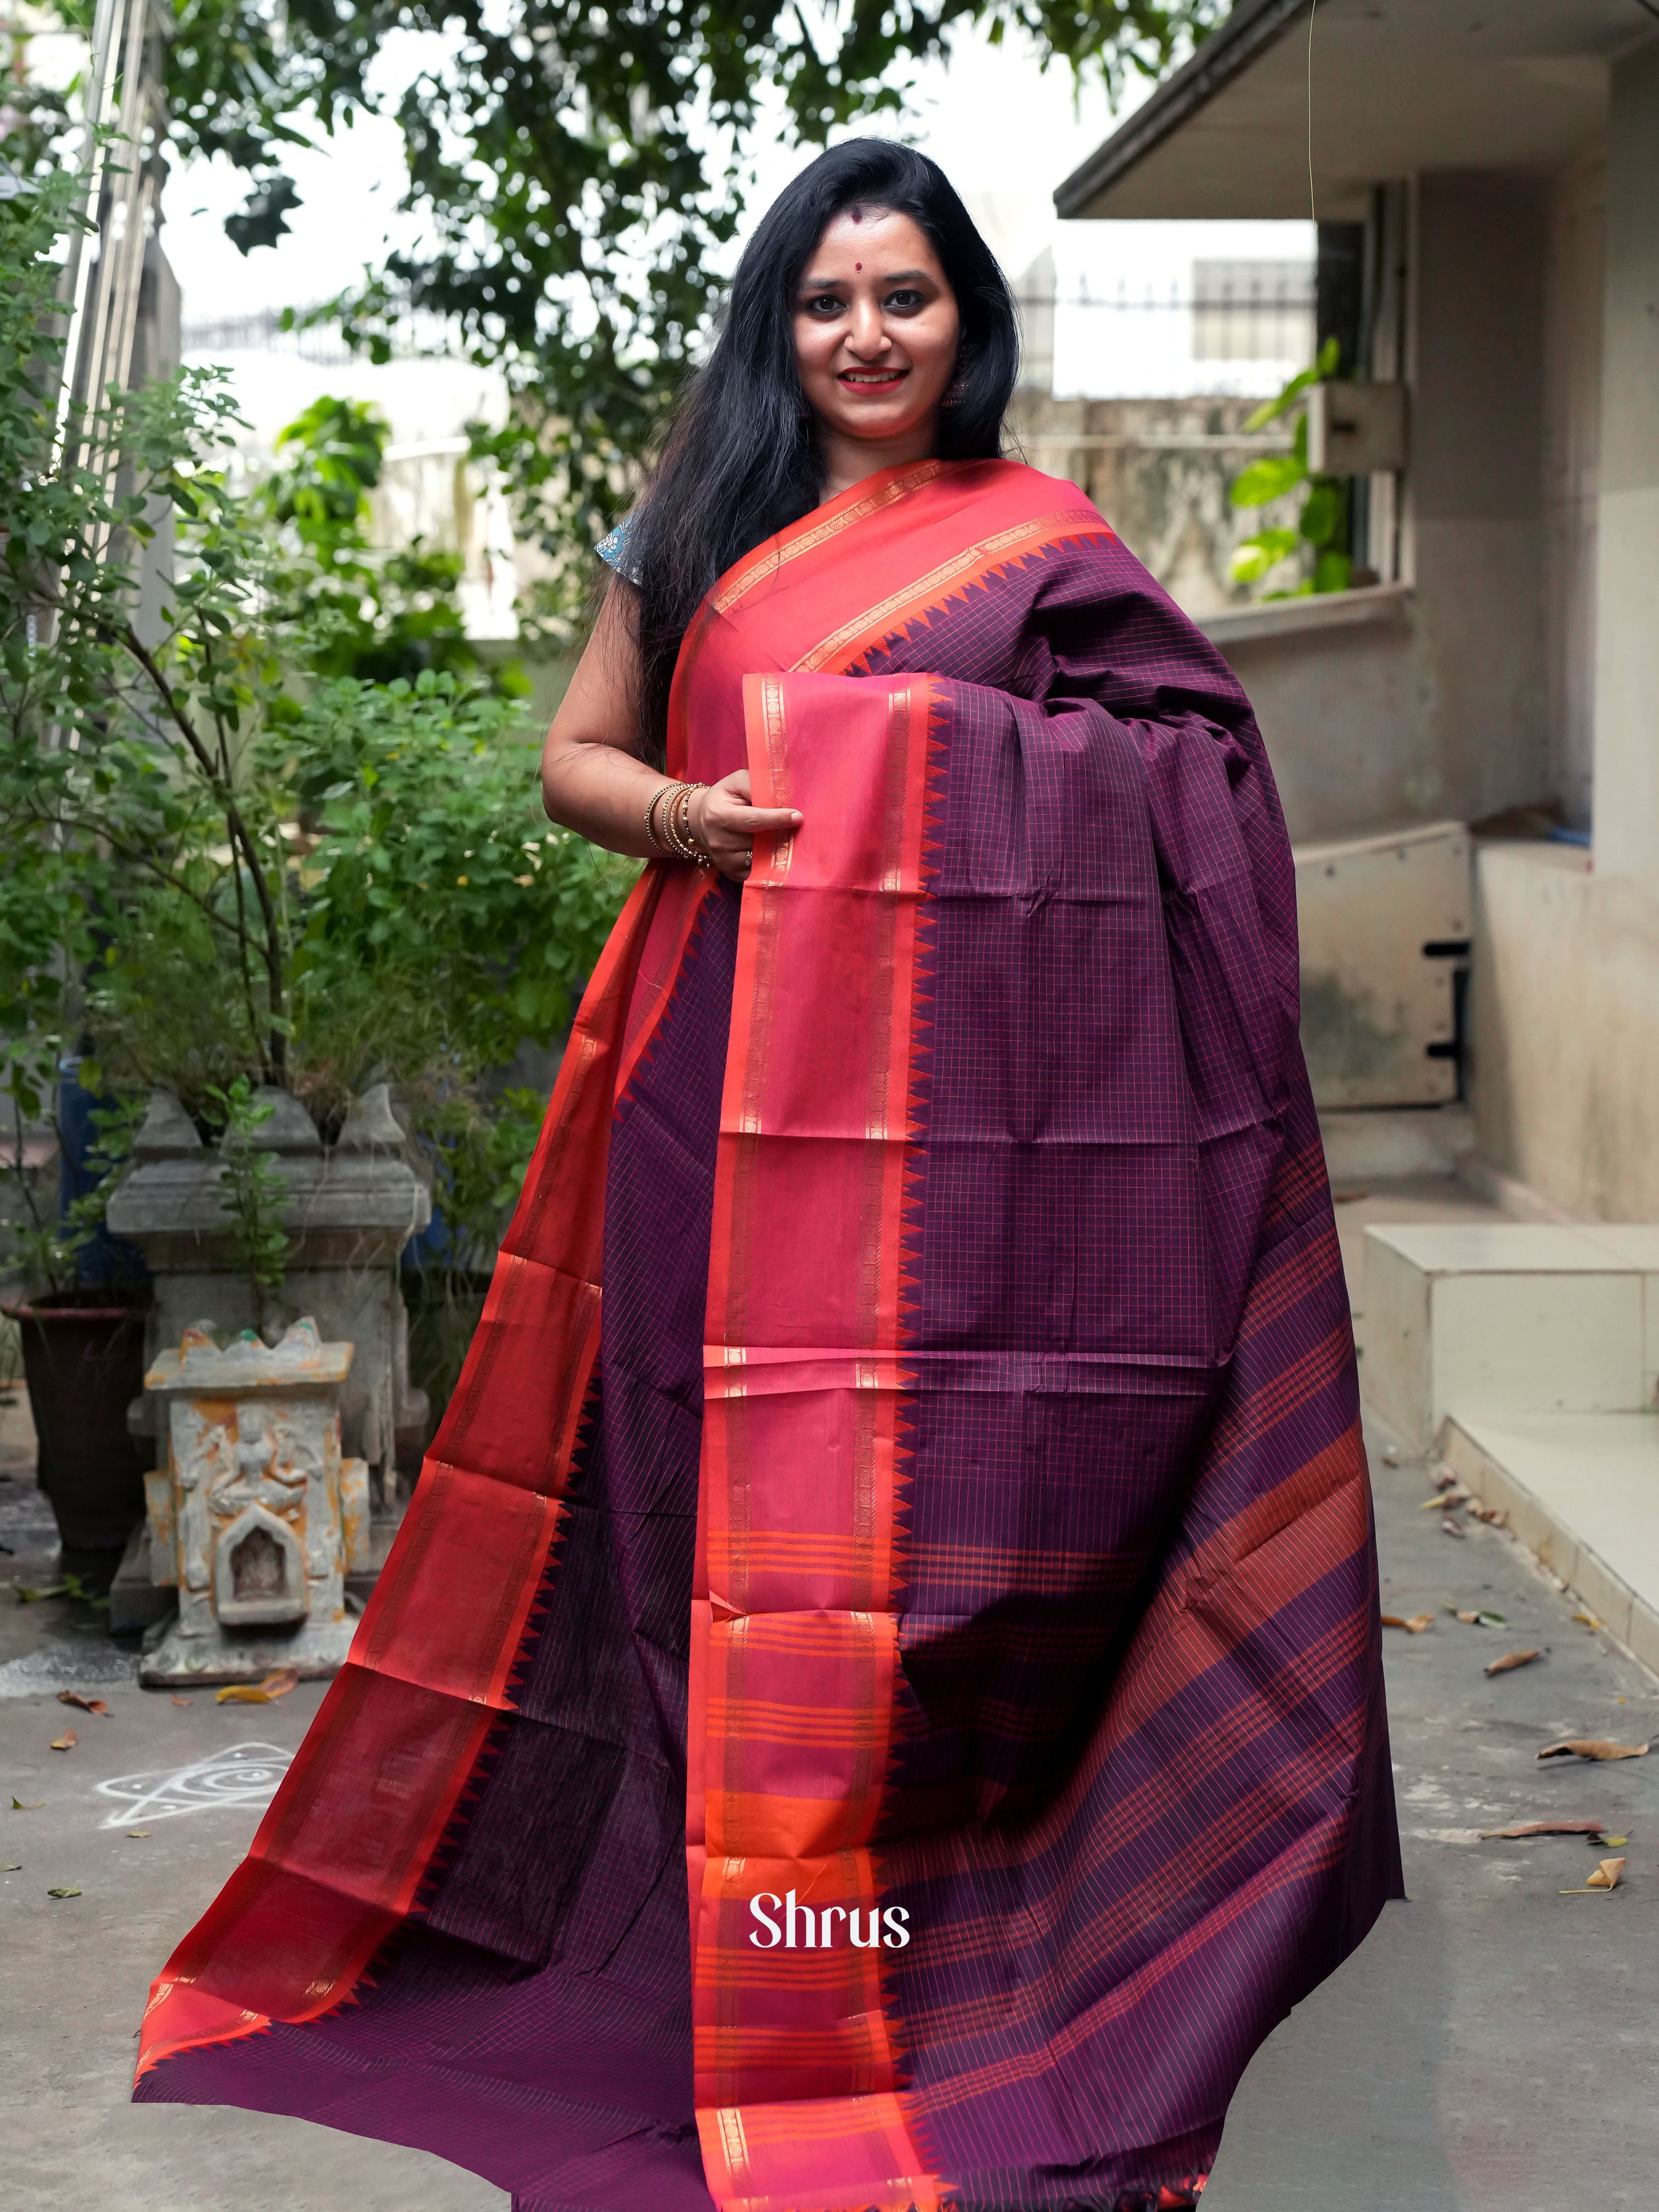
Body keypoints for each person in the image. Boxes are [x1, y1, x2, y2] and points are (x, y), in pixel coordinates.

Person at [134, 139, 1402, 2212]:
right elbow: (577, 756)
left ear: (967, 322)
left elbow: (1197, 778)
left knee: (930, 1539)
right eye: (826, 301)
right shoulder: (701, 520)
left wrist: (927, 771)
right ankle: (723, 1946)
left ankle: (931, 1932)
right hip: (711, 1076)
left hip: (960, 1155)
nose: (866, 335)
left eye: (904, 297)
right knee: (700, 1514)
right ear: (778, 327)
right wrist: (693, 818)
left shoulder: (1041, 540)